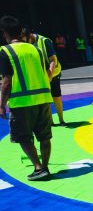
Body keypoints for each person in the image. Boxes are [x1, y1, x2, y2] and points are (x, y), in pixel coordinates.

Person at [0, 16, 54, 180]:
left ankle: (38, 168)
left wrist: (2, 105)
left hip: (22, 102)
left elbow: (6, 81)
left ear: (5, 33)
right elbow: (48, 73)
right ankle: (44, 166)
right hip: (43, 99)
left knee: (23, 136)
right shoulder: (35, 49)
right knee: (44, 136)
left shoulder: (6, 51)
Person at [27, 29, 65, 125]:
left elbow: (53, 59)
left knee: (56, 96)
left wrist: (50, 75)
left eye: (26, 39)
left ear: (30, 35)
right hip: (41, 74)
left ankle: (61, 119)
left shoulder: (44, 41)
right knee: (46, 98)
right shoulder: (27, 44)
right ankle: (50, 121)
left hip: (53, 73)